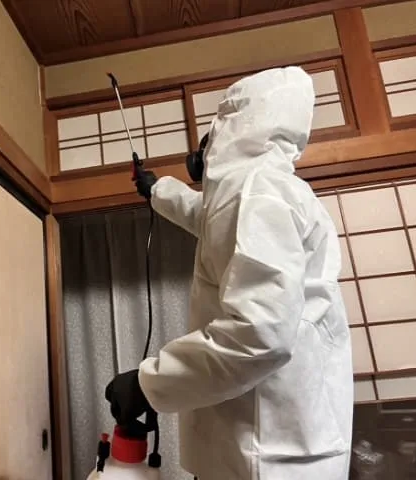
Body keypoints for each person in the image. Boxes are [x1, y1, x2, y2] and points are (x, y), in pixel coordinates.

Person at [105, 67, 354, 479]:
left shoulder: (257, 193)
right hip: (277, 443)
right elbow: (211, 219)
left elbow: (258, 334)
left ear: (230, 128)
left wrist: (149, 384)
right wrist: (157, 190)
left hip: (267, 456)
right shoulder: (265, 189)